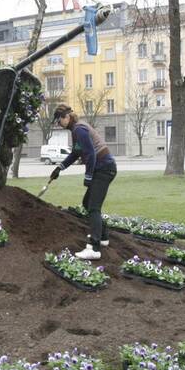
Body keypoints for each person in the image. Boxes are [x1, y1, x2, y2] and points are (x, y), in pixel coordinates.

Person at [50, 103, 117, 259]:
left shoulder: (79, 129)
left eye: (59, 121)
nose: (58, 125)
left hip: (104, 169)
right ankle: (104, 237)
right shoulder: (76, 130)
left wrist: (88, 176)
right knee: (88, 203)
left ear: (66, 117)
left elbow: (91, 154)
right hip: (102, 169)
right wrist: (59, 168)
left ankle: (94, 248)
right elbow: (76, 153)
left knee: (93, 207)